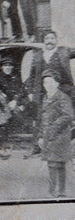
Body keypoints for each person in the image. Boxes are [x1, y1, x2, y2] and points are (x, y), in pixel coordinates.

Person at [24, 31, 74, 158]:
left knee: (59, 118)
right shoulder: (38, 55)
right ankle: (36, 147)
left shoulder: (63, 52)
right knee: (39, 118)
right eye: (47, 38)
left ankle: (58, 147)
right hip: (41, 92)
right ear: (44, 41)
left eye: (52, 38)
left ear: (56, 40)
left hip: (60, 90)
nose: (50, 41)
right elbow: (32, 74)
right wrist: (30, 91)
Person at [38, 69, 73, 198]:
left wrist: (52, 128)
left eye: (50, 82)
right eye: (45, 83)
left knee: (58, 163)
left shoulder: (63, 98)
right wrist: (40, 136)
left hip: (60, 136)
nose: (47, 85)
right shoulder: (45, 98)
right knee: (52, 163)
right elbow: (43, 118)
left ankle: (59, 191)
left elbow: (67, 116)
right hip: (48, 136)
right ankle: (55, 191)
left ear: (57, 83)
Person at [0, 56, 33, 136]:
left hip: (16, 100)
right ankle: (24, 130)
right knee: (16, 111)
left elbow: (21, 90)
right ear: (1, 67)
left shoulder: (16, 77)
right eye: (5, 65)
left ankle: (28, 129)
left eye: (10, 65)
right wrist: (10, 102)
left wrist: (16, 100)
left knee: (29, 103)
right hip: (5, 102)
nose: (8, 68)